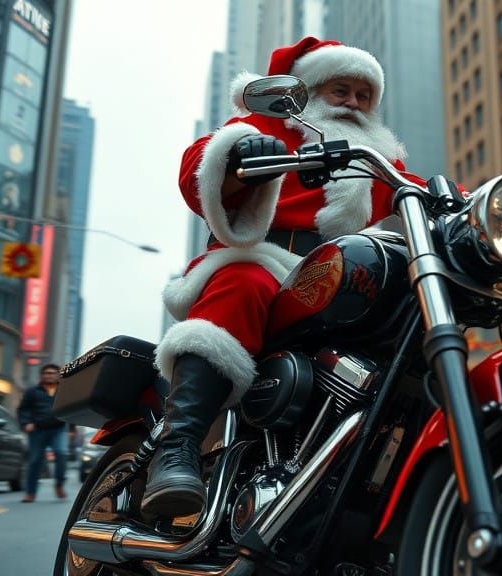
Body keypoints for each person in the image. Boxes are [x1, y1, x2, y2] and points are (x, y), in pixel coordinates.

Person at [146, 37, 425, 517]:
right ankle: (178, 446)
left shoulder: (374, 157)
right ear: (309, 90)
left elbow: (419, 190)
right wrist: (242, 160)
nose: (354, 103)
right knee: (245, 282)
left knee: (405, 324)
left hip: (339, 283)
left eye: (364, 95)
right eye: (341, 90)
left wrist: (487, 205)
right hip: (261, 261)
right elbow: (200, 171)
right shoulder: (263, 126)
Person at [18, 363, 69, 503]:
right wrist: (25, 423)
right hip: (37, 430)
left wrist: (73, 429)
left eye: (52, 373)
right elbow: (23, 409)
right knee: (35, 461)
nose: (49, 375)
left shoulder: (64, 390)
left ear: (58, 375)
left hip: (59, 429)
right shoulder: (32, 391)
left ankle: (59, 484)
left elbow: (71, 408)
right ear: (41, 375)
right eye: (46, 373)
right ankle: (30, 493)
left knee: (61, 453)